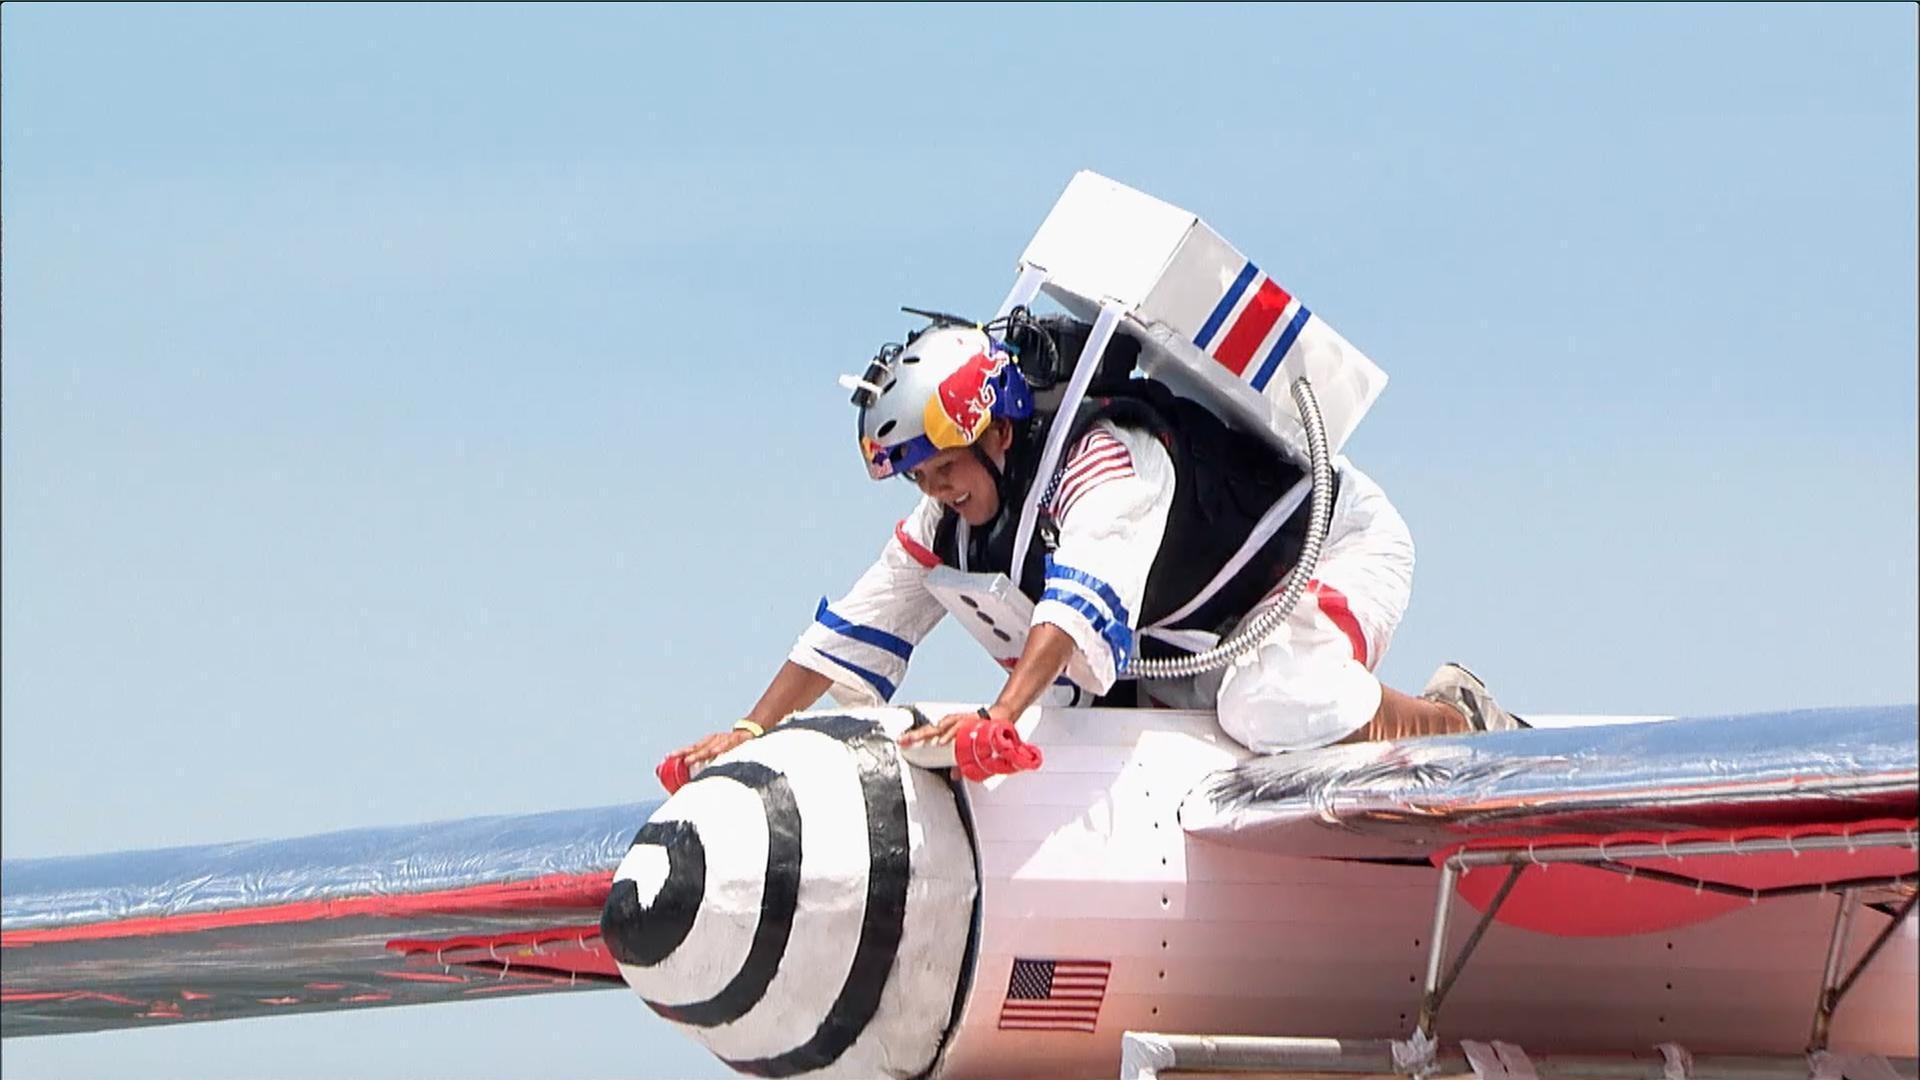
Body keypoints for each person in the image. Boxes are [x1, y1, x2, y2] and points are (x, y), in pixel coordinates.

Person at [672, 314, 1521, 769]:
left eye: (944, 470)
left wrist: (1002, 717)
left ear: (995, 434)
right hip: (1205, 627)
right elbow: (860, 623)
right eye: (920, 479)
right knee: (1084, 729)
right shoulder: (951, 516)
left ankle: (1459, 725)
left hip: (1325, 550)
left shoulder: (1106, 462)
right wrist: (750, 731)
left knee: (1267, 706)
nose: (936, 493)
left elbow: (1084, 597)